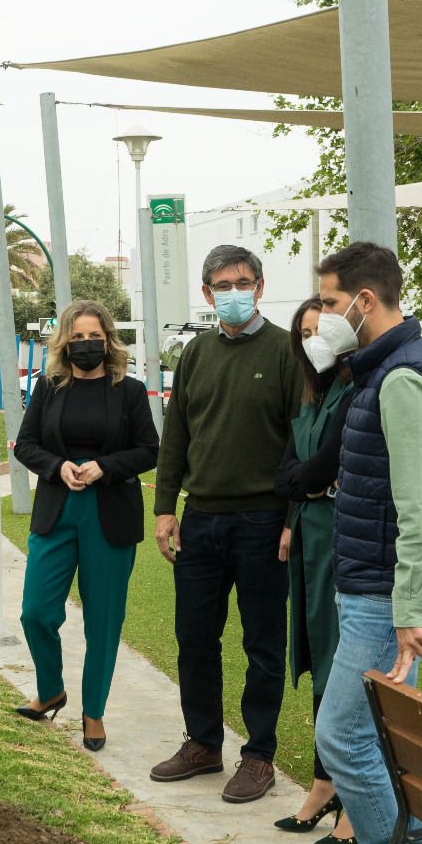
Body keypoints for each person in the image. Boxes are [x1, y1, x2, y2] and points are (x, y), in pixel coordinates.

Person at [298, 241, 422, 844]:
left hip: (386, 593)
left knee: (343, 735)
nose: (322, 318)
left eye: (330, 303)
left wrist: (410, 612)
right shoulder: (383, 369)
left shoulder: (400, 379)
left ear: (365, 301)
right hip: (376, 585)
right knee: (379, 738)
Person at [149, 245, 302, 804]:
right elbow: (177, 437)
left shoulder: (288, 350)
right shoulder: (194, 355)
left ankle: (258, 755)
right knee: (194, 637)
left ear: (259, 286)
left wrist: (291, 518)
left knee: (264, 643)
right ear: (207, 294)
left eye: (242, 282)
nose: (231, 292)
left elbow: (298, 441)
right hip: (201, 518)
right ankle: (203, 743)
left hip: (264, 521)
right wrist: (166, 508)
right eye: (220, 285)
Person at [12, 300, 159, 751]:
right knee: (35, 611)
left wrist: (104, 467)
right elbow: (25, 444)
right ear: (63, 343)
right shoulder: (48, 387)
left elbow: (148, 449)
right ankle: (51, 689)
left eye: (93, 336)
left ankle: (92, 712)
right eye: (76, 338)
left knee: (103, 621)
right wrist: (58, 467)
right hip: (58, 509)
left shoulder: (129, 391)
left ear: (108, 340)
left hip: (109, 513)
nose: (85, 345)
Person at [271, 297, 357, 844]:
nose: (310, 341)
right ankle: (324, 783)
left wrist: (308, 481)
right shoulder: (308, 398)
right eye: (302, 333)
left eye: (317, 329)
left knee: (338, 664)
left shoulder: (353, 393)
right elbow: (289, 472)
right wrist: (302, 488)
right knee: (312, 653)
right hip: (307, 536)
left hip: (339, 540)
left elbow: (322, 467)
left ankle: (350, 796)